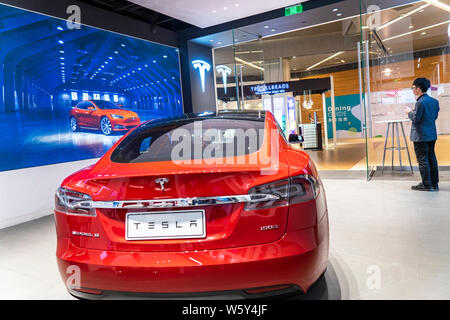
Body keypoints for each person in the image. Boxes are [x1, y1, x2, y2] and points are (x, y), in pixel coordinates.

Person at [405, 78, 440, 191]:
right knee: (431, 158)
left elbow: (416, 119)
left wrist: (409, 112)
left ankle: (426, 184)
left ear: (418, 89)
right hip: (431, 134)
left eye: (413, 88)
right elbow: (432, 117)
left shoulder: (420, 102)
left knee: (422, 159)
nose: (412, 90)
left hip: (420, 136)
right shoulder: (434, 102)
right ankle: (434, 183)